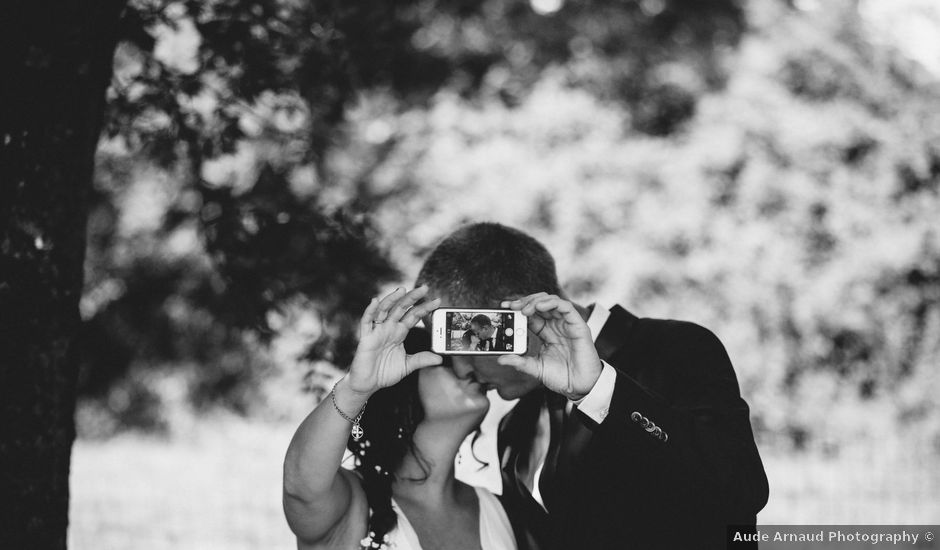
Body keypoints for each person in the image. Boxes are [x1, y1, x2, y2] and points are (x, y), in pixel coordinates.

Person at [414, 222, 769, 550]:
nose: (458, 365)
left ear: (514, 311)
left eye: (462, 337)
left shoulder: (675, 348)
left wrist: (599, 390)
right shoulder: (513, 428)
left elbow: (741, 490)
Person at [283, 286, 519, 550]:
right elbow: (299, 488)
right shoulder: (351, 506)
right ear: (401, 383)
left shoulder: (501, 509)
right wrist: (356, 389)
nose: (467, 365)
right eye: (446, 359)